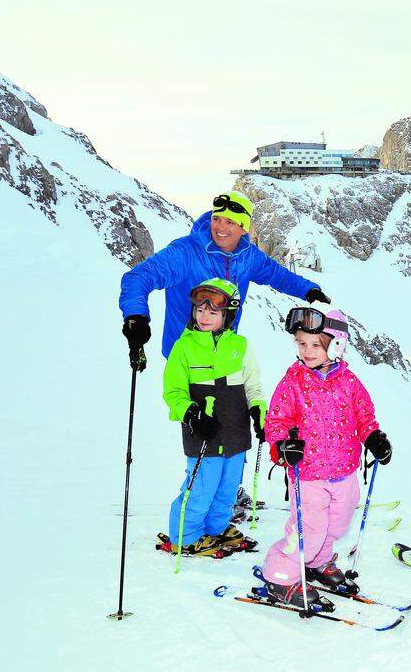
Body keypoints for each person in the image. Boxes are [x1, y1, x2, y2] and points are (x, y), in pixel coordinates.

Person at [259, 307, 392, 609]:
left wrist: (373, 437)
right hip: (307, 475)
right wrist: (282, 446)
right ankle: (281, 575)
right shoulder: (293, 381)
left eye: (315, 344)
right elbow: (276, 422)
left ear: (337, 345)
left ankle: (317, 561)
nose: (307, 351)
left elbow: (364, 416)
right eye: (301, 343)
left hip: (344, 471)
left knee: (337, 525)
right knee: (310, 529)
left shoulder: (349, 381)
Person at [118, 190, 330, 365]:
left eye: (230, 222)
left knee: (232, 414)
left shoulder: (248, 255)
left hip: (224, 353)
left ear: (243, 227)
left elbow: (278, 276)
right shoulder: (185, 252)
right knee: (196, 415)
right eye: (216, 219)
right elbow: (138, 277)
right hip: (185, 357)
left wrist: (307, 289)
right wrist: (136, 316)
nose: (220, 227)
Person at [155, 278, 265, 557]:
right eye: (200, 310)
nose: (204, 316)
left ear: (227, 315)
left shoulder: (240, 345)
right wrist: (191, 414)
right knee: (201, 486)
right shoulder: (184, 347)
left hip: (236, 431)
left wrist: (258, 411)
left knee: (228, 488)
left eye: (213, 312)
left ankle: (215, 529)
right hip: (204, 431)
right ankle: (186, 535)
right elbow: (173, 391)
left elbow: (253, 384)